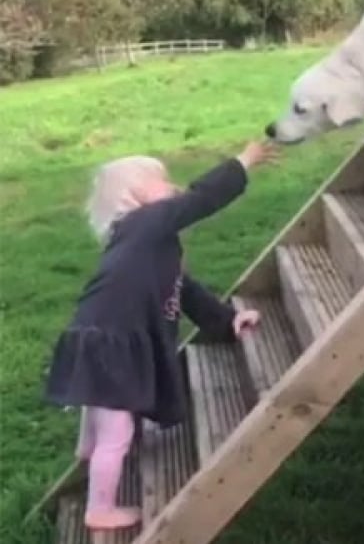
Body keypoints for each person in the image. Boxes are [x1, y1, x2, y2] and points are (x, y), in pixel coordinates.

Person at [43, 140, 278, 531]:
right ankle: (99, 509)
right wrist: (241, 163)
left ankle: (88, 448)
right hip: (112, 340)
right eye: (163, 181)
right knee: (118, 434)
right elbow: (200, 200)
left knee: (101, 398)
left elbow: (182, 290)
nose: (174, 187)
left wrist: (226, 320)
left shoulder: (144, 241)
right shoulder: (145, 224)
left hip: (99, 335)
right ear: (135, 195)